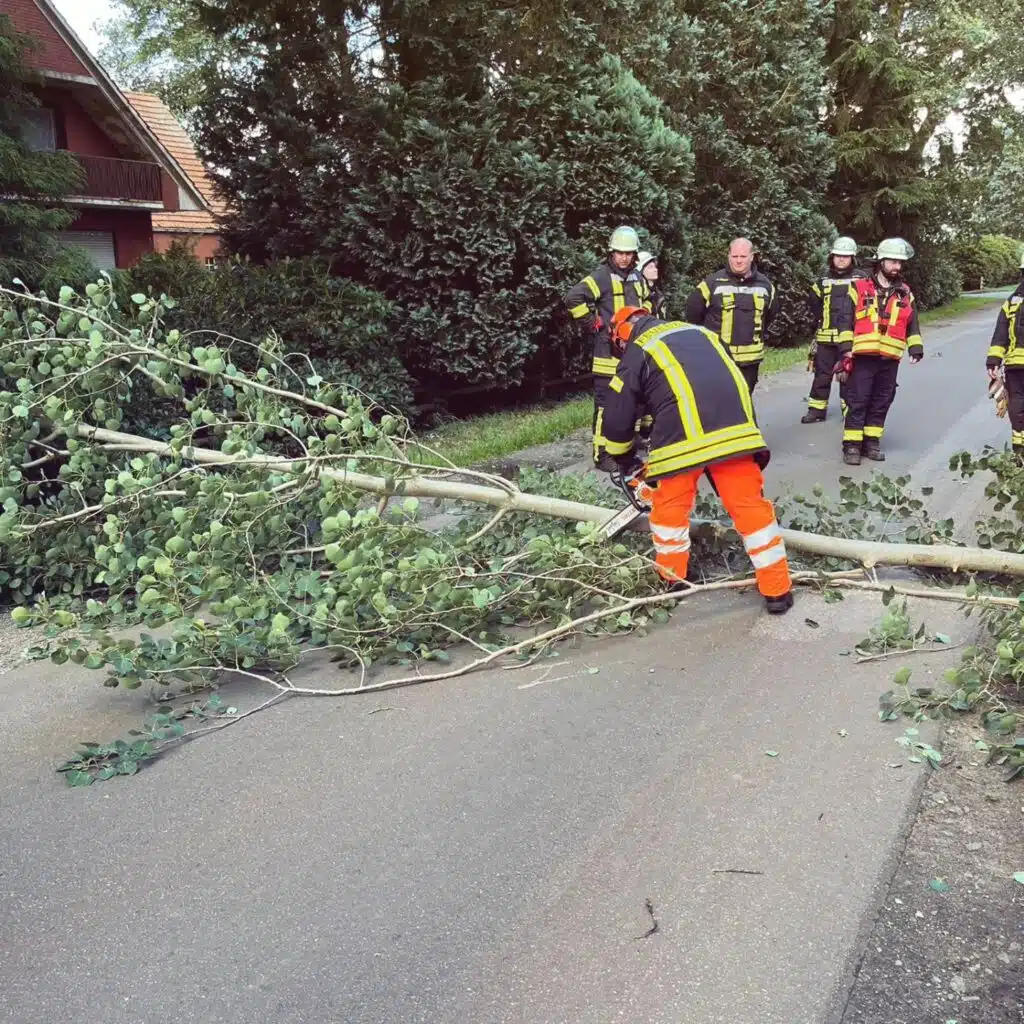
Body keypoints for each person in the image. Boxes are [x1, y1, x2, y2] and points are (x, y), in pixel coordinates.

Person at [601, 305, 794, 614]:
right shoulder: (704, 333)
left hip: (681, 440)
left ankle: (673, 579)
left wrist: (624, 458)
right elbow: (736, 383)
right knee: (751, 509)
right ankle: (778, 590)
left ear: (621, 338)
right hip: (736, 433)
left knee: (669, 510)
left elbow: (618, 413)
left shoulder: (640, 348)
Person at [564, 227, 652, 470]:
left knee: (631, 404)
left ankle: (624, 451)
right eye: (619, 253)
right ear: (611, 253)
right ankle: (602, 456)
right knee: (605, 407)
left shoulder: (637, 278)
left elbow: (646, 304)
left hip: (631, 354)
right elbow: (573, 298)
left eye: (628, 253)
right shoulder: (601, 276)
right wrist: (592, 323)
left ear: (635, 255)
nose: (624, 258)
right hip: (606, 357)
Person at [838, 237, 923, 466]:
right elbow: (845, 321)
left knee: (882, 400)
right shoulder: (859, 287)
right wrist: (845, 350)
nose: (897, 266)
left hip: (890, 357)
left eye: (900, 263)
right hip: (863, 356)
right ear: (881, 262)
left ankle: (871, 442)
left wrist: (916, 347)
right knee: (858, 400)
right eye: (892, 262)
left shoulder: (905, 293)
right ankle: (852, 446)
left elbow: (912, 322)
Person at [684, 237, 778, 394]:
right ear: (728, 256)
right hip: (718, 359)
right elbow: (693, 314)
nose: (738, 261)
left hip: (750, 362)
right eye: (735, 256)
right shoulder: (712, 283)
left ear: (752, 257)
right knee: (718, 402)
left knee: (744, 403)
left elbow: (770, 315)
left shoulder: (766, 285)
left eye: (743, 257)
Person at [801, 236, 861, 423]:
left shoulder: (862, 280)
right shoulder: (822, 281)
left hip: (851, 339)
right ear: (832, 257)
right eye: (838, 256)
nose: (841, 259)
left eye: (845, 256)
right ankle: (816, 410)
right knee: (821, 376)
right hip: (825, 338)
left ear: (852, 258)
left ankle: (849, 411)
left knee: (848, 376)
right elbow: (813, 304)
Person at [986, 253, 1024, 456]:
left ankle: (1019, 449)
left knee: (1017, 403)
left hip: (1015, 364)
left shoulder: (1012, 301)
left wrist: (993, 361)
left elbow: (1001, 334)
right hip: (1016, 364)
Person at [636, 251, 667, 317]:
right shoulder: (637, 294)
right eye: (650, 267)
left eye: (655, 266)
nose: (655, 270)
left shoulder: (658, 293)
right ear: (640, 271)